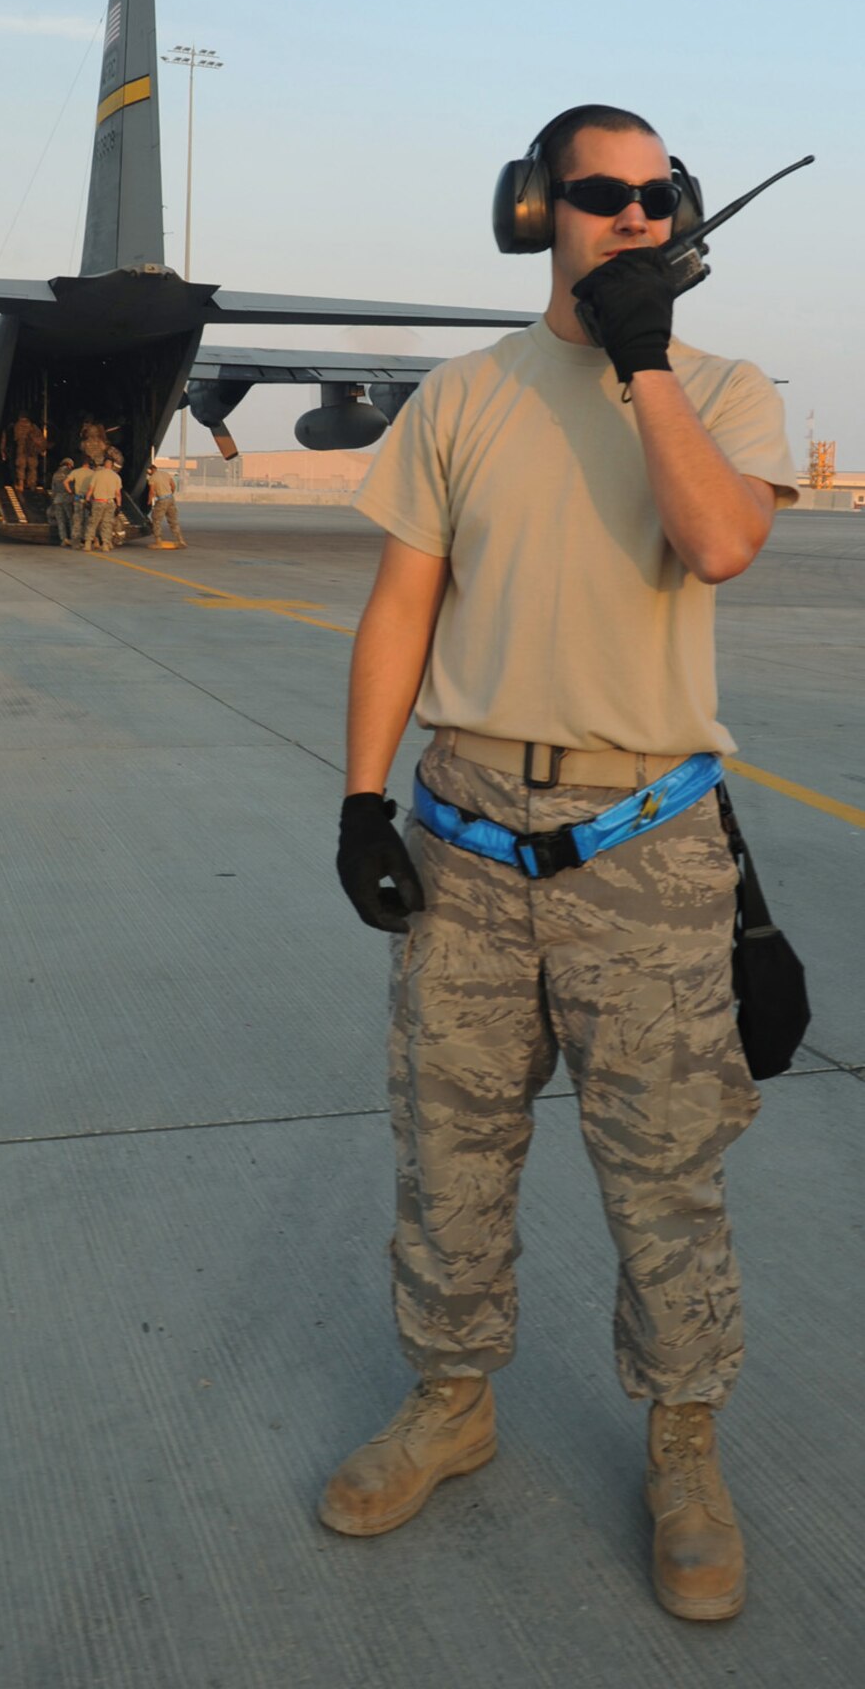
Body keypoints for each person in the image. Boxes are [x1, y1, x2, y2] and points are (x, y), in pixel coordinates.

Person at [324, 105, 799, 1623]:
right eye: (601, 194)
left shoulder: (725, 391)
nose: (634, 217)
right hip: (461, 835)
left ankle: (683, 1448)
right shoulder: (462, 397)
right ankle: (450, 1401)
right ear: (535, 210)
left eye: (660, 197)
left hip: (643, 849)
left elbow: (717, 545)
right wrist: (355, 801)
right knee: (448, 1152)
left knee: (666, 1177)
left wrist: (644, 361)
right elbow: (403, 607)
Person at [80, 457, 123, 553]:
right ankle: (105, 545)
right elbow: (118, 493)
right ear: (112, 465)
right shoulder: (116, 477)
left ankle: (87, 544)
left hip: (98, 501)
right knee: (107, 524)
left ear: (104, 464)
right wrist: (119, 505)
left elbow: (90, 489)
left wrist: (87, 500)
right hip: (110, 502)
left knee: (93, 523)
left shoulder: (97, 475)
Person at [146, 459, 186, 548]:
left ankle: (158, 542)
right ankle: (181, 540)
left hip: (162, 500)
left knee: (156, 520)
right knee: (173, 521)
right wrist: (170, 494)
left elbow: (152, 492)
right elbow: (173, 485)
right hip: (170, 499)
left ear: (150, 470)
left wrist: (149, 501)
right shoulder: (165, 474)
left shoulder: (152, 478)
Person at [66, 458, 96, 546]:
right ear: (88, 464)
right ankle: (86, 540)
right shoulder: (93, 473)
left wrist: (70, 491)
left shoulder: (75, 472)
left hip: (78, 497)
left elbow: (65, 482)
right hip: (88, 498)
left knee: (77, 519)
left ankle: (75, 542)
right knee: (88, 520)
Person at [49, 458, 76, 546]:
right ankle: (73, 539)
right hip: (68, 499)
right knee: (71, 519)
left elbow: (53, 489)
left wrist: (53, 500)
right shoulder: (71, 473)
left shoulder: (56, 474)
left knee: (60, 520)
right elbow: (74, 487)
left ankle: (63, 539)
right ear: (69, 465)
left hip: (57, 499)